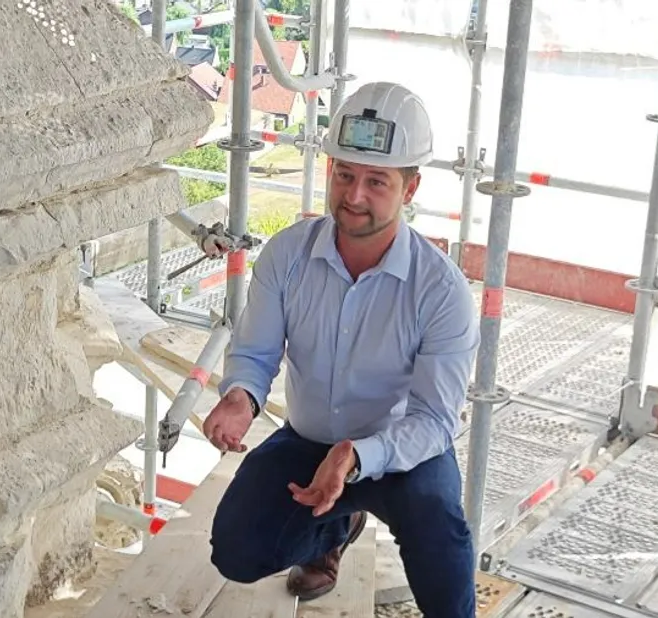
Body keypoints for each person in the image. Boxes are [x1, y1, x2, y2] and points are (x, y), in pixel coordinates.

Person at [204, 81, 481, 617]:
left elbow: (434, 419)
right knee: (236, 553)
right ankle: (337, 525)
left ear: (411, 187)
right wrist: (241, 396)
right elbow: (257, 353)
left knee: (440, 537)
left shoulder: (441, 290)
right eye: (345, 175)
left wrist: (356, 457)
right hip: (310, 441)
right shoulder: (288, 255)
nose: (354, 196)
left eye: (377, 181)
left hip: (403, 453)